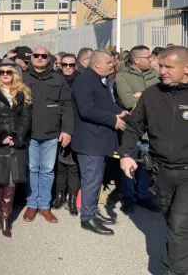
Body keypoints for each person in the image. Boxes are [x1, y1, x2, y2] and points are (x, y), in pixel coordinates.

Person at [120, 46, 188, 274]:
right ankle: (172, 264)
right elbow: (133, 127)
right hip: (162, 172)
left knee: (179, 226)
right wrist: (127, 155)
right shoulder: (152, 94)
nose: (162, 71)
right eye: (160, 66)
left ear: (186, 67)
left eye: (169, 67)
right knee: (172, 223)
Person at [72, 49, 128, 236]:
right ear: (97, 64)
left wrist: (120, 112)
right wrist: (113, 120)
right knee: (91, 180)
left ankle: (92, 211)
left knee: (96, 181)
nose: (112, 65)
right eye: (109, 63)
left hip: (99, 141)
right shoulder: (85, 81)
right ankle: (87, 218)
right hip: (90, 141)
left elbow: (106, 105)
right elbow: (87, 110)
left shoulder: (98, 80)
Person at [22, 47, 73, 224]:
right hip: (29, 133)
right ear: (32, 58)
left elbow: (67, 105)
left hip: (52, 133)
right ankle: (31, 204)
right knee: (31, 169)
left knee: (47, 170)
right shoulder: (22, 78)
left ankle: (44, 205)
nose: (40, 58)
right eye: (37, 55)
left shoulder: (58, 79)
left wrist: (67, 130)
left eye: (44, 56)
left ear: (48, 59)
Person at [115, 45, 161, 213]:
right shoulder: (122, 76)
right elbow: (128, 101)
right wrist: (147, 96)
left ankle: (143, 196)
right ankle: (128, 196)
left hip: (153, 128)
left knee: (146, 164)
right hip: (132, 128)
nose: (151, 60)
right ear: (136, 60)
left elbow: (163, 97)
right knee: (130, 162)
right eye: (147, 57)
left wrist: (140, 95)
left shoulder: (154, 75)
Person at [0, 59, 31, 237]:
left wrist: (17, 136)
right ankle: (2, 213)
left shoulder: (23, 92)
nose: (5, 74)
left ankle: (4, 217)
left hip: (16, 141)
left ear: (14, 74)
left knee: (12, 179)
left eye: (9, 72)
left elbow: (25, 117)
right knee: (1, 179)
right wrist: (1, 136)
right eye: (2, 72)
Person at [52, 54, 80, 215]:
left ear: (75, 65)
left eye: (71, 64)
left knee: (74, 165)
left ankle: (72, 197)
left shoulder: (81, 81)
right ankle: (59, 195)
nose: (68, 67)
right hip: (57, 125)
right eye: (65, 64)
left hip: (77, 127)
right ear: (60, 65)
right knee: (60, 164)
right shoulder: (55, 80)